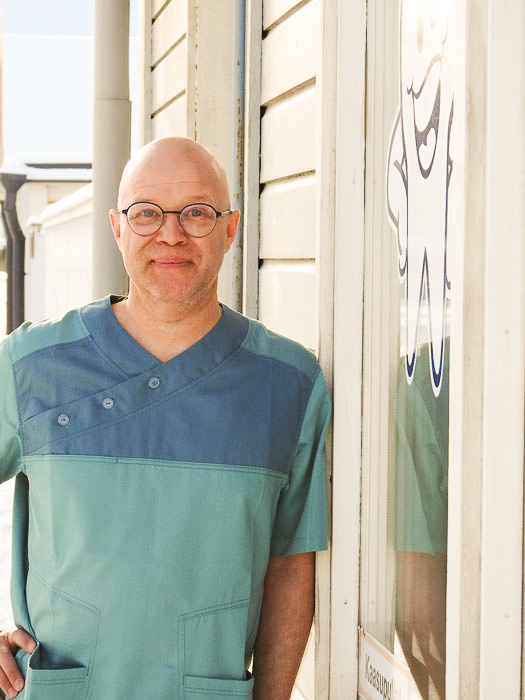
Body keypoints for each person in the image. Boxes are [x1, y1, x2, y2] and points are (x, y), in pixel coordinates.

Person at [0, 137, 330, 700]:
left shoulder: (289, 385)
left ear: (230, 229)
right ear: (117, 227)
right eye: (147, 213)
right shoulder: (31, 366)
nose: (171, 234)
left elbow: (290, 563)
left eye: (196, 213)